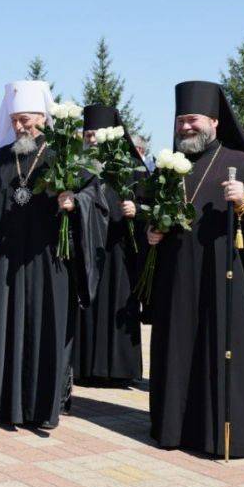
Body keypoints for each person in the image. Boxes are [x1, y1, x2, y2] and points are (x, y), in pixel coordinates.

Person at [146, 81, 244, 457]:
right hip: (178, 279)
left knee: (228, 350)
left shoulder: (243, 162)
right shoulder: (168, 168)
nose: (186, 128)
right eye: (180, 122)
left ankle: (236, 434)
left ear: (213, 121)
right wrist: (151, 230)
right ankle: (175, 428)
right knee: (178, 349)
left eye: (192, 120)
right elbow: (150, 213)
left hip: (228, 279)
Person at [0, 81, 105, 429]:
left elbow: (96, 199)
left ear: (43, 117)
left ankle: (42, 407)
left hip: (49, 261)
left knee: (46, 330)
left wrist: (75, 204)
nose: (19, 127)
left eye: (25, 119)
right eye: (14, 120)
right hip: (4, 257)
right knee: (0, 328)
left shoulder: (66, 155)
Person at [73, 105, 143, 387]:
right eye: (87, 134)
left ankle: (118, 369)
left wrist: (135, 210)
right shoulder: (76, 165)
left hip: (118, 250)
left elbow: (148, 204)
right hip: (86, 249)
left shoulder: (131, 166)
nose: (91, 140)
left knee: (117, 305)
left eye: (97, 135)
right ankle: (82, 366)